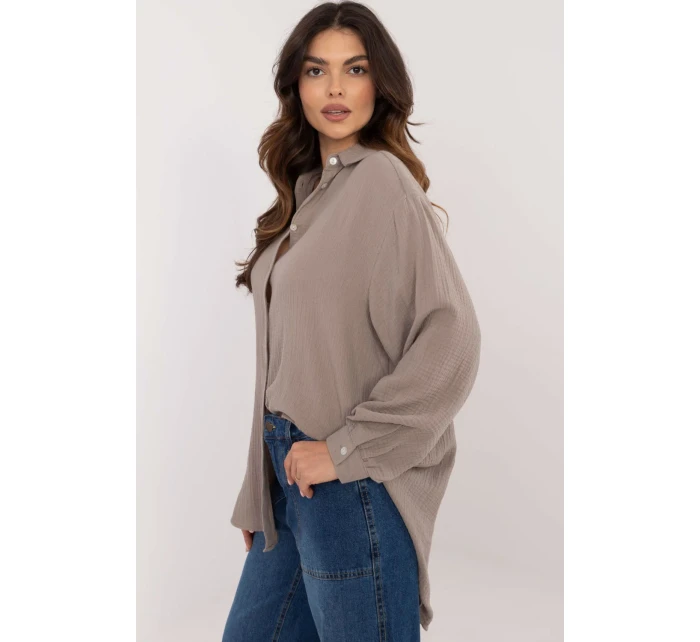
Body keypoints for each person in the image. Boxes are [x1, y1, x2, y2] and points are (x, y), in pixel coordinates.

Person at [222, 2, 481, 640]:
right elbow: (288, 356)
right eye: (317, 70)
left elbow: (453, 339)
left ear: (378, 83)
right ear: (297, 85)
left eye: (355, 69)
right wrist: (261, 487)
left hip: (349, 483)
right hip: (292, 476)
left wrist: (345, 451)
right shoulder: (308, 190)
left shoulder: (383, 182)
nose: (335, 88)